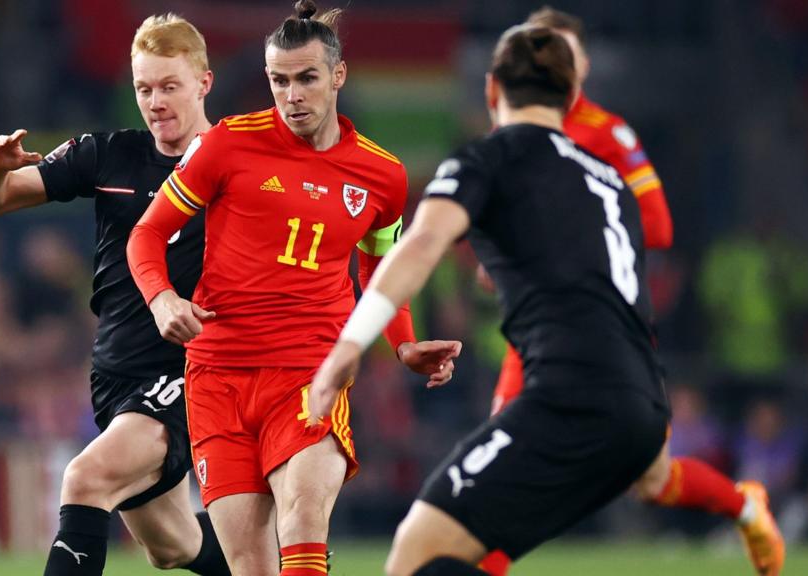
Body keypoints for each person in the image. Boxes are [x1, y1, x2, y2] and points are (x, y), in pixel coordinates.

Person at [307, 24, 782, 576]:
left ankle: (746, 507)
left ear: (490, 91)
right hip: (642, 400)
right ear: (569, 97)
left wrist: (350, 345)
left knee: (416, 559)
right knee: (528, 529)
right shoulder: (608, 179)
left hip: (566, 396)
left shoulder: (485, 160)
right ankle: (746, 506)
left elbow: (420, 245)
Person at [126, 2, 461, 574]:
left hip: (309, 373)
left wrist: (402, 345)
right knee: (250, 565)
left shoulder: (382, 176)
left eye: (306, 78)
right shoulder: (228, 145)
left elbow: (381, 273)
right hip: (218, 379)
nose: (292, 94)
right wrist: (162, 299)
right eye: (278, 80)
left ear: (338, 75)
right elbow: (147, 234)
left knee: (303, 526)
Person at [478, 8, 784, 576]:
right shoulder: (513, 133)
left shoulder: (607, 133)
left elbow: (660, 226)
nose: (552, 69)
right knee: (499, 469)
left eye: (563, 56)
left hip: (602, 325)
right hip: (534, 324)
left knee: (651, 478)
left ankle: (744, 505)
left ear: (584, 64)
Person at [0, 14, 229, 576]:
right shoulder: (110, 154)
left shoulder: (239, 164)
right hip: (115, 376)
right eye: (143, 88)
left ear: (203, 83)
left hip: (195, 368)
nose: (155, 102)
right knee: (173, 545)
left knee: (85, 478)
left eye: (169, 86)